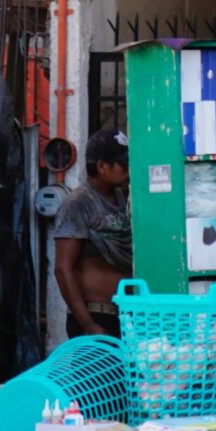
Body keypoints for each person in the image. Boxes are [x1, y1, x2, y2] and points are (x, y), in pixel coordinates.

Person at [51, 128, 132, 337]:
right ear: (102, 166)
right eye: (124, 165)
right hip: (97, 319)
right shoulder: (78, 204)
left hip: (126, 317)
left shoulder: (125, 199)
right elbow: (63, 268)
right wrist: (87, 323)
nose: (129, 171)